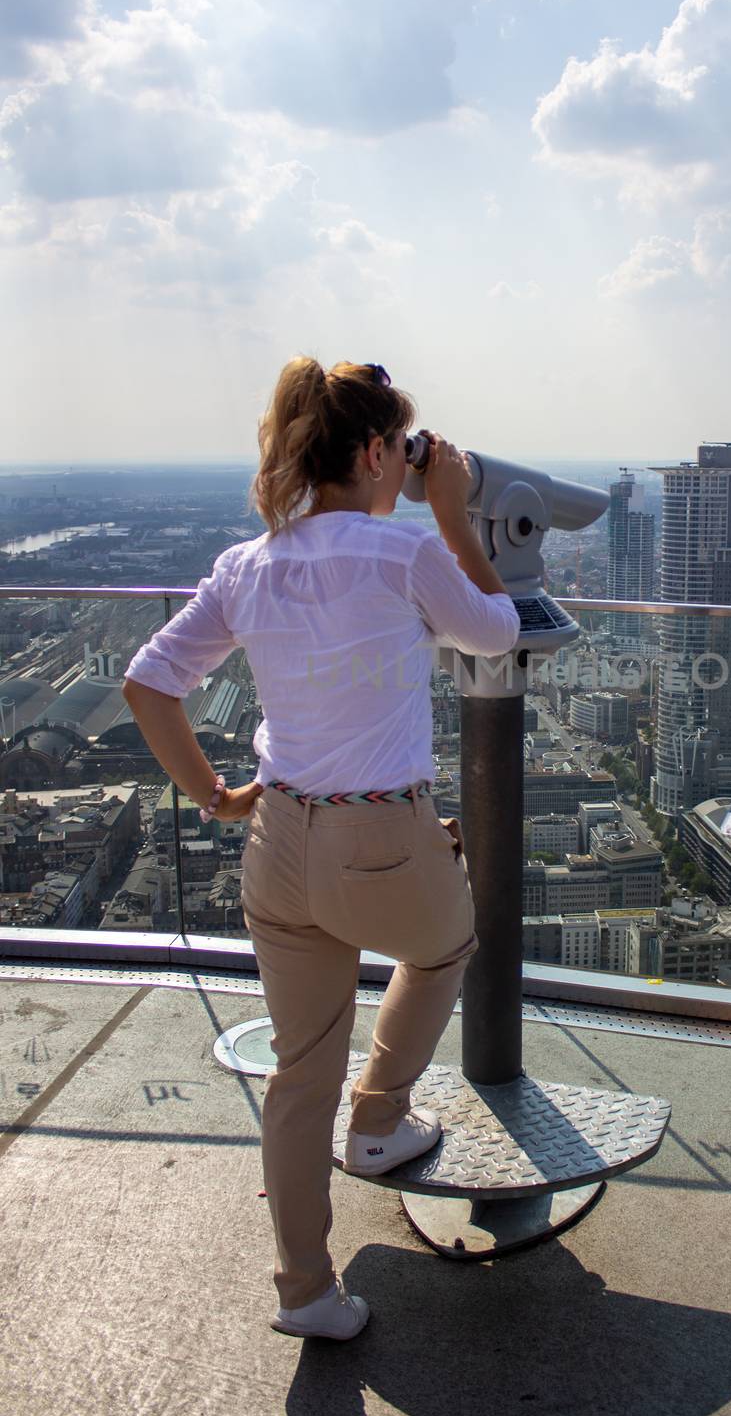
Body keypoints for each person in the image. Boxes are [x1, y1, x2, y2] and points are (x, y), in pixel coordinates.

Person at [122, 357, 520, 1341]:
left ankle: (305, 1292)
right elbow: (496, 629)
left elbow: (147, 680)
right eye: (403, 452)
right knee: (443, 944)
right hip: (380, 831)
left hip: (276, 835)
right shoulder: (404, 554)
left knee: (300, 1072)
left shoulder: (248, 563)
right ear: (381, 450)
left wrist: (213, 794)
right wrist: (454, 512)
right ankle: (380, 1119)